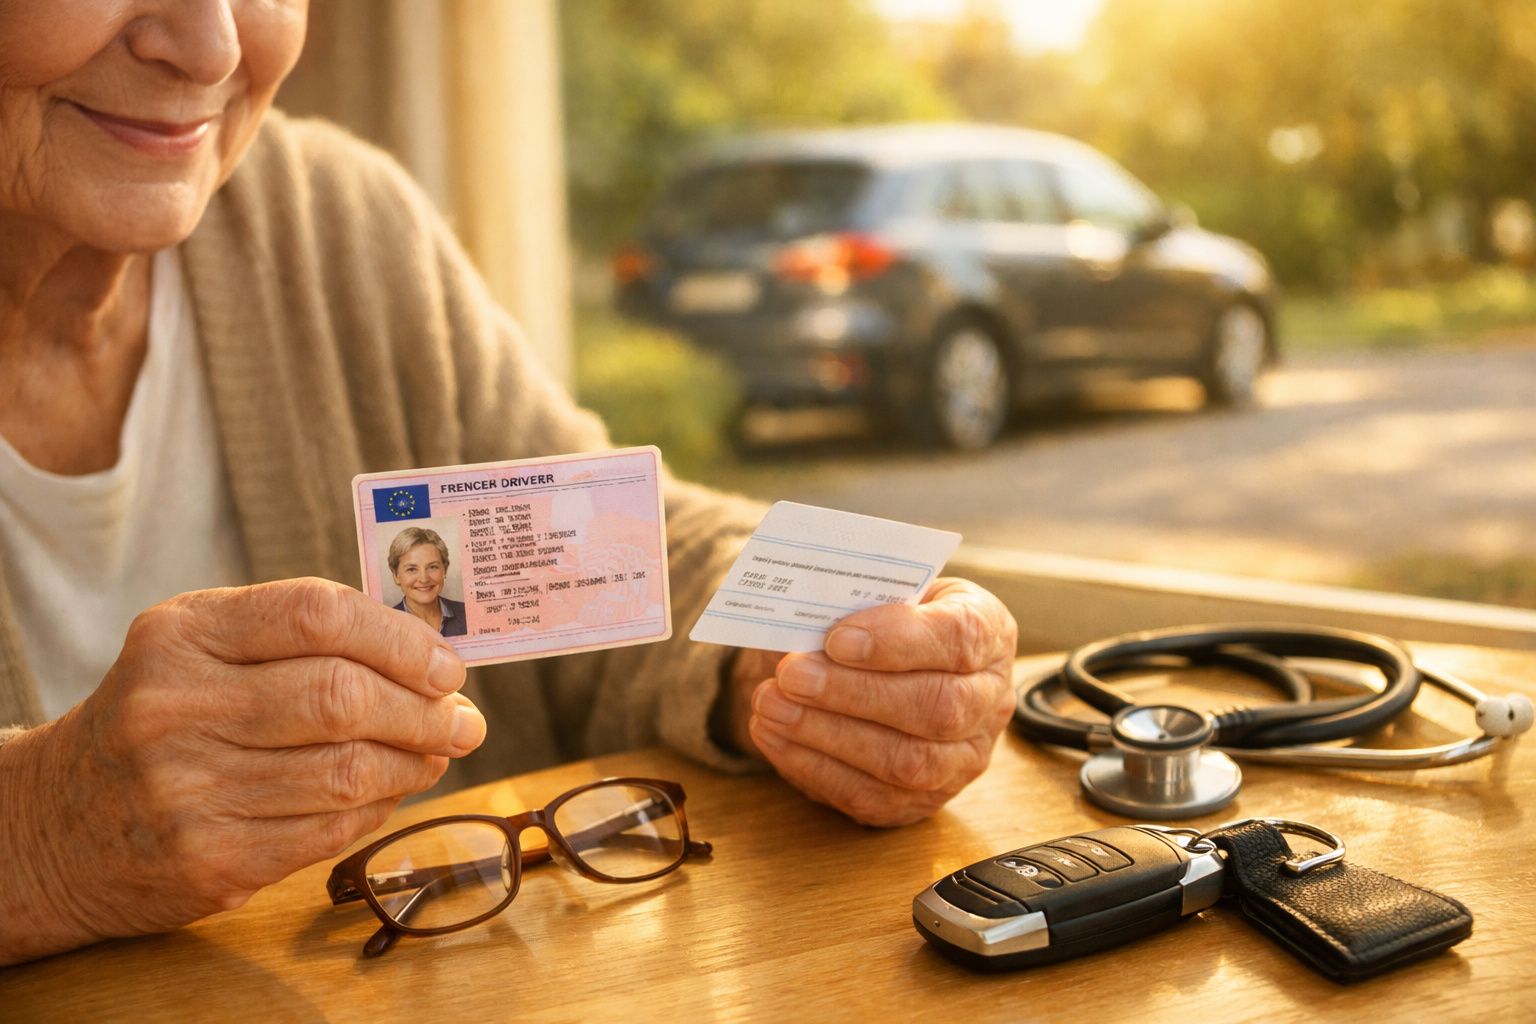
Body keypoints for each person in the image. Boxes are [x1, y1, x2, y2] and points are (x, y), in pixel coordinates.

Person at [0, 0, 1019, 966]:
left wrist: (802, 651)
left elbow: (608, 546)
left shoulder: (336, 221)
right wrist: (42, 837)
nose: (213, 45)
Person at [385, 527, 467, 638]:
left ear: (445, 570)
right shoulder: (386, 625)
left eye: (432, 567)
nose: (424, 579)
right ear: (396, 575)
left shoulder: (468, 613)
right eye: (412, 569)